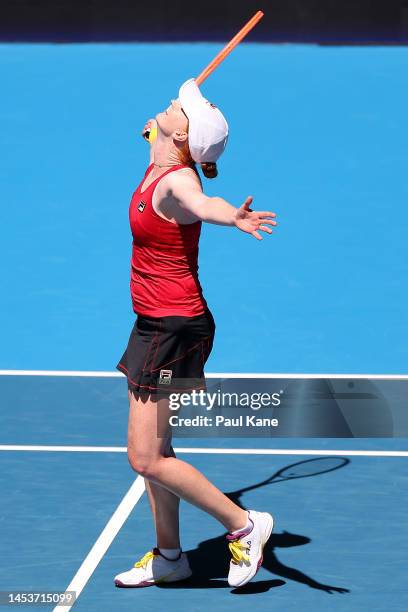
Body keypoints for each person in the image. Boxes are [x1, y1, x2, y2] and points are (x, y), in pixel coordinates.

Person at [114, 78, 277, 589]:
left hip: (172, 327)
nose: (170, 103)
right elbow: (157, 136)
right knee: (159, 453)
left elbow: (204, 203)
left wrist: (234, 216)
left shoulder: (177, 182)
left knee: (144, 457)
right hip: (154, 323)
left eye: (180, 109)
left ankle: (245, 526)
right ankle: (169, 557)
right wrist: (156, 135)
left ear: (185, 138)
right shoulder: (160, 155)